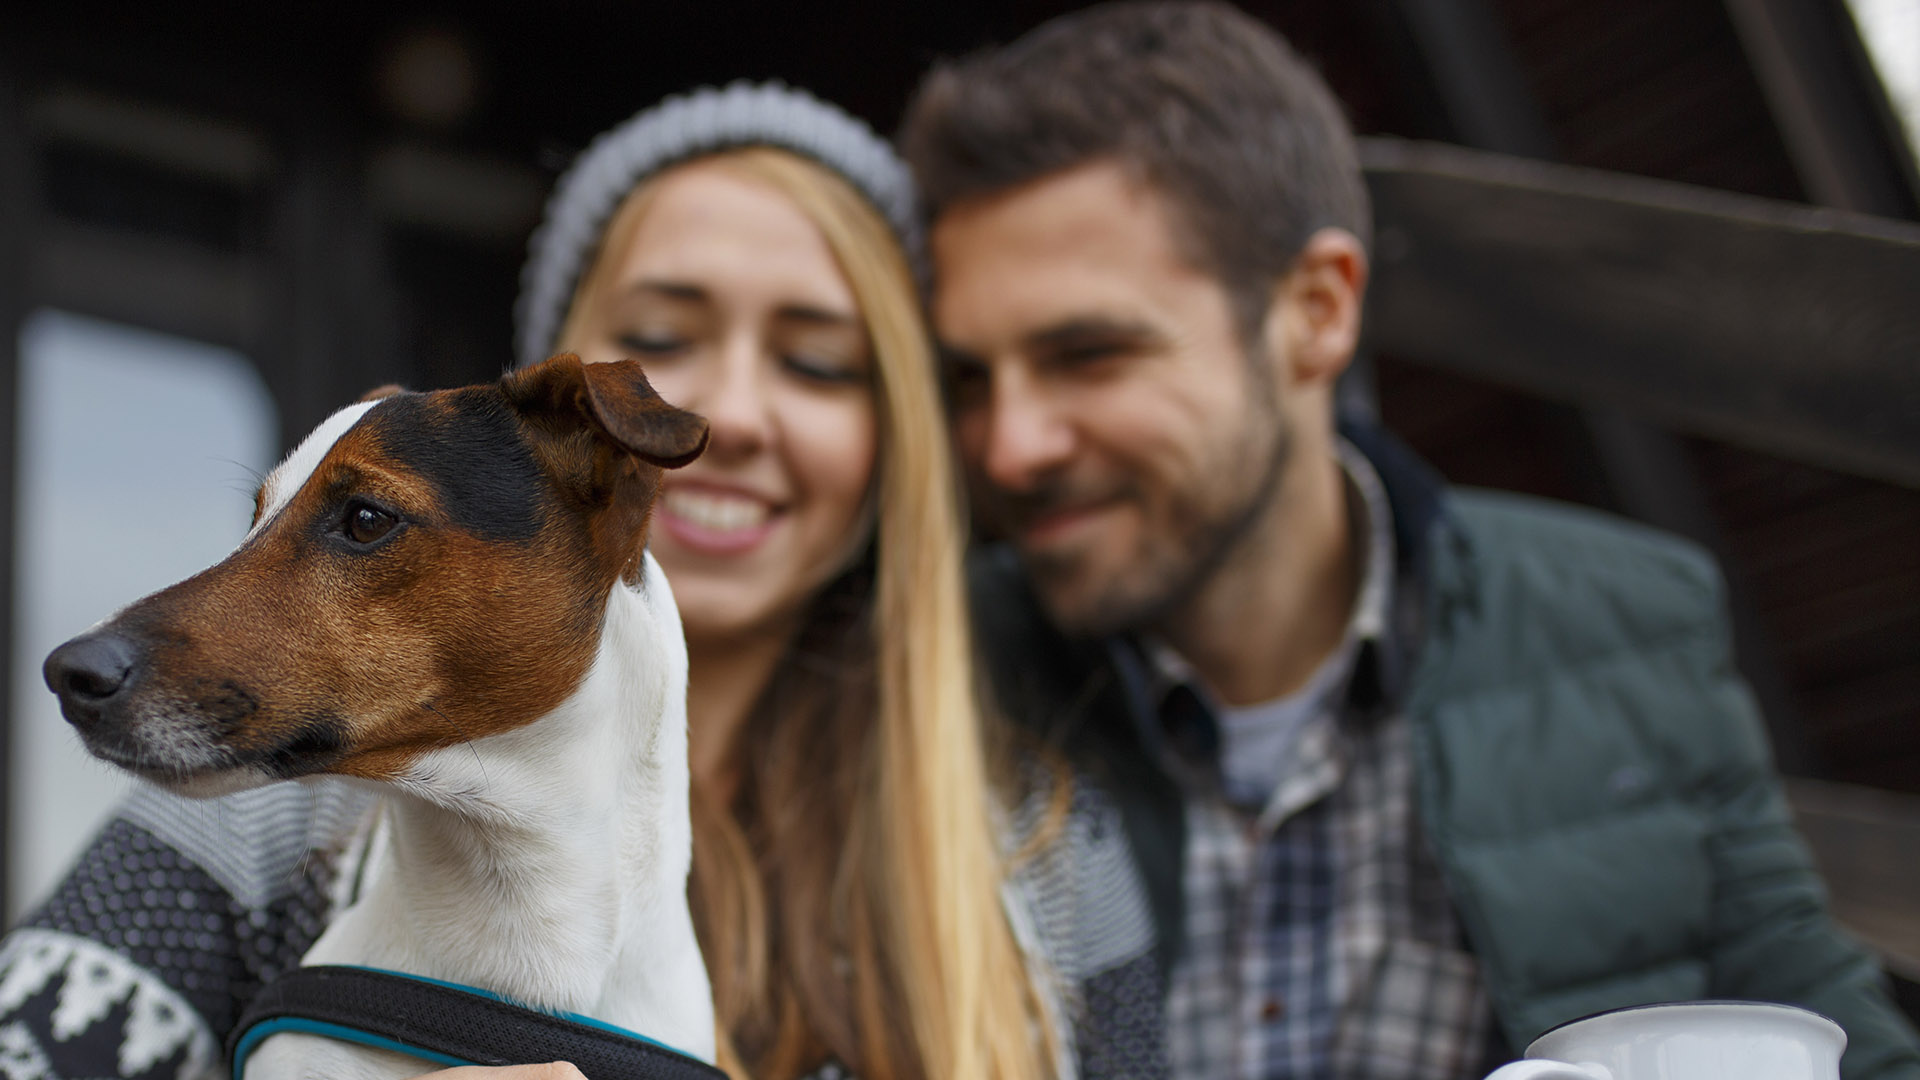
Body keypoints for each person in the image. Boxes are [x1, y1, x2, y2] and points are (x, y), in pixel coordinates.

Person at [0, 84, 1153, 1080]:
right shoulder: (263, 825)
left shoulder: (1044, 869)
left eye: (815, 360)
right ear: (565, 408)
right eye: (663, 329)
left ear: (896, 430)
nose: (736, 414)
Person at [896, 4, 1920, 1079]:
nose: (1009, 446)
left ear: (1316, 311)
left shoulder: (1618, 622)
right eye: (969, 377)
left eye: (1089, 353)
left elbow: (1837, 1043)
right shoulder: (936, 667)